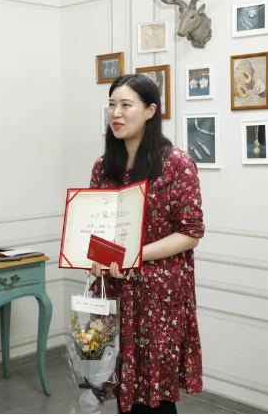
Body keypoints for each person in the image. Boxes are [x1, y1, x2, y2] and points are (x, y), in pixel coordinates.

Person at [85, 74, 204, 414]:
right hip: (114, 292)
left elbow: (190, 233)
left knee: (155, 396)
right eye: (111, 105)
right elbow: (95, 228)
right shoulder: (103, 167)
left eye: (126, 105)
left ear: (150, 111)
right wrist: (94, 258)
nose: (116, 113)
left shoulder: (177, 163)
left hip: (158, 296)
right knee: (121, 387)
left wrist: (132, 256)